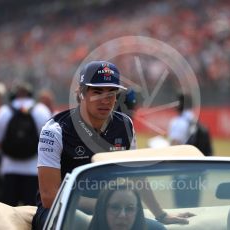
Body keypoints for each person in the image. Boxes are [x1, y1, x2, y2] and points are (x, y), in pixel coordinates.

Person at [32, 61, 192, 230]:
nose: (105, 100)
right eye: (97, 92)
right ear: (81, 93)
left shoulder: (125, 125)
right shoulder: (55, 129)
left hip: (110, 210)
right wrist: (104, 205)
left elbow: (136, 175)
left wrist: (161, 214)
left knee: (157, 229)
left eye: (111, 93)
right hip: (60, 210)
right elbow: (49, 197)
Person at [0, 82, 52, 206]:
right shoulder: (41, 110)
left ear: (13, 95)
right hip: (33, 170)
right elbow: (48, 141)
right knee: (31, 214)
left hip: (9, 169)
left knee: (8, 213)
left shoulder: (3, 111)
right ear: (30, 94)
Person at [168, 93, 212, 208]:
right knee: (194, 207)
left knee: (180, 208)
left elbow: (174, 146)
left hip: (181, 173)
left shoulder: (178, 122)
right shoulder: (196, 122)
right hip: (197, 173)